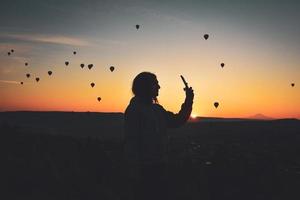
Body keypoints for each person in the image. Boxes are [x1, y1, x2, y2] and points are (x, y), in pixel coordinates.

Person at [122, 72, 194, 200]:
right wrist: (135, 171)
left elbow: (177, 120)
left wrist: (188, 100)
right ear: (146, 87)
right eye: (155, 83)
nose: (159, 87)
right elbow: (132, 142)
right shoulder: (134, 111)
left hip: (159, 167)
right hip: (145, 171)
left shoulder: (157, 110)